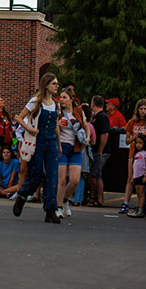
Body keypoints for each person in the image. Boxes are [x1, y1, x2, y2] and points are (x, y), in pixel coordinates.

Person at [12, 73, 62, 223]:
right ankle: (22, 195)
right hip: (37, 142)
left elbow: (56, 126)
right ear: (46, 85)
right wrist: (29, 129)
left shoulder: (56, 104)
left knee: (52, 175)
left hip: (51, 142)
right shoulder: (35, 101)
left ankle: (51, 210)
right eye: (54, 83)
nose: (56, 86)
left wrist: (59, 144)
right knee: (37, 175)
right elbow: (18, 118)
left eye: (57, 84)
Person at [56, 87, 85, 218]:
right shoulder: (58, 112)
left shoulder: (78, 111)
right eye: (61, 97)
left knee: (75, 180)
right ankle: (58, 206)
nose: (62, 100)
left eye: (64, 97)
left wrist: (88, 137)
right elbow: (52, 127)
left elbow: (85, 126)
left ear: (72, 99)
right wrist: (57, 124)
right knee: (61, 180)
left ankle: (66, 199)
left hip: (75, 148)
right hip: (62, 145)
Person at [120, 98, 146, 214]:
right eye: (141, 108)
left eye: (144, 108)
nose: (143, 111)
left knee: (142, 180)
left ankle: (141, 205)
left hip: (144, 154)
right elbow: (127, 141)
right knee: (130, 178)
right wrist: (136, 136)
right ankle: (126, 202)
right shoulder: (132, 122)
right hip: (133, 153)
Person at [86, 95, 111, 207]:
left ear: (93, 104)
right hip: (96, 150)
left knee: (93, 174)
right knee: (98, 175)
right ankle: (100, 199)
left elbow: (105, 134)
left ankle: (95, 197)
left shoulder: (102, 117)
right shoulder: (96, 116)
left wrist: (100, 150)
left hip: (101, 151)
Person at [126, 134, 146, 218]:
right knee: (137, 193)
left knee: (141, 193)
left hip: (141, 175)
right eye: (137, 143)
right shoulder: (136, 154)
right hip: (136, 176)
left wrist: (145, 175)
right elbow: (134, 166)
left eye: (140, 143)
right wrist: (133, 176)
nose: (138, 145)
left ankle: (141, 209)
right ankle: (138, 207)